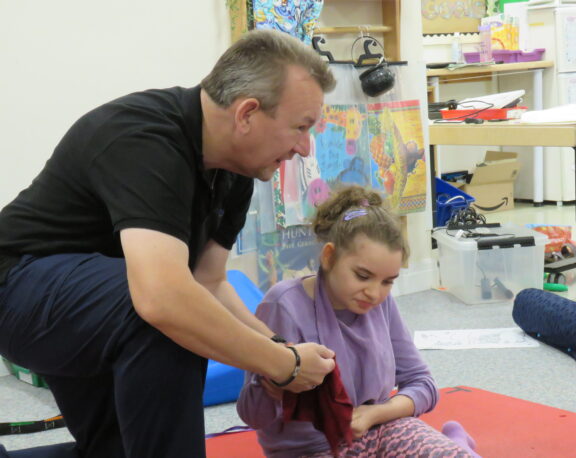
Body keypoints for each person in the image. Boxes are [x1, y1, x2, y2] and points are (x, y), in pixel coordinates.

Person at [0, 29, 338, 458]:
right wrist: (283, 366)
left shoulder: (236, 171)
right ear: (247, 113)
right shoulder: (143, 138)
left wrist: (278, 349)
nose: (305, 148)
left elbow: (209, 283)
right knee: (168, 317)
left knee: (116, 450)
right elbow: (163, 300)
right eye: (300, 127)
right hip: (17, 286)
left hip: (99, 306)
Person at [237, 186, 480, 457]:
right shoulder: (283, 305)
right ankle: (454, 441)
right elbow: (253, 416)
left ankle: (457, 445)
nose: (375, 293)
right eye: (362, 276)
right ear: (329, 257)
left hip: (380, 429)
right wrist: (277, 380)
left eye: (388, 281)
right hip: (311, 451)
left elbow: (423, 384)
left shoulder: (379, 302)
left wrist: (373, 414)